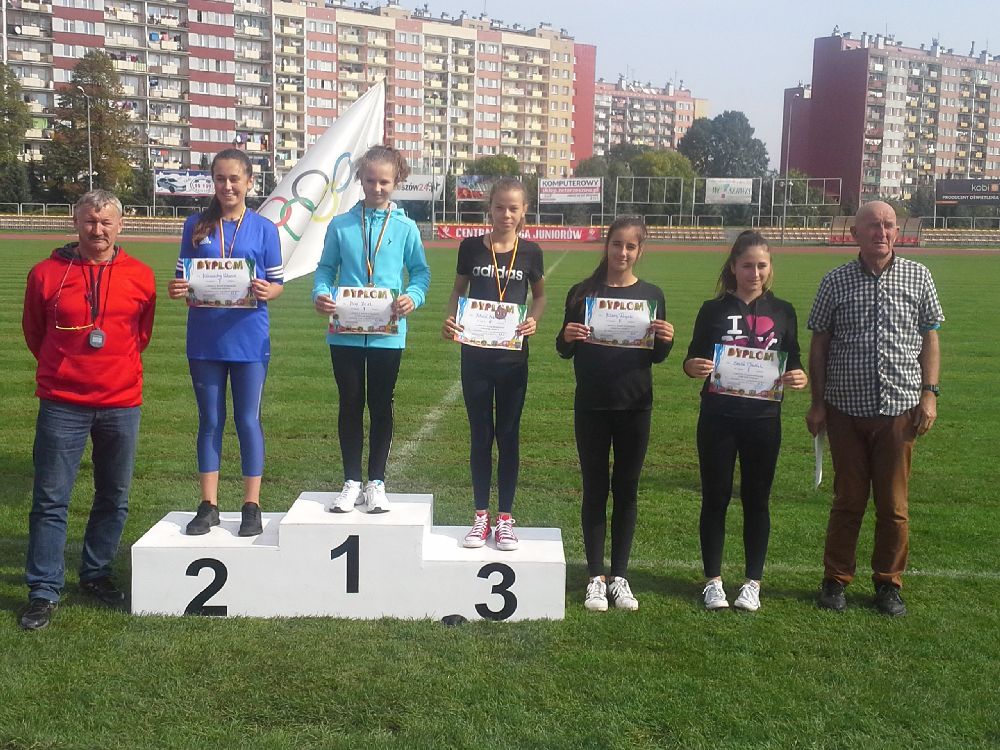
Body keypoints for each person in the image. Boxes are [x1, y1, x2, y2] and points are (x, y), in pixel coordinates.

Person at [20, 190, 156, 630]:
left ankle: (96, 573)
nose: (97, 230)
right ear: (76, 222)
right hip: (63, 403)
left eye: (106, 222)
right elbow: (35, 332)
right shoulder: (45, 274)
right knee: (50, 499)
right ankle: (44, 589)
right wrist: (65, 369)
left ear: (120, 226)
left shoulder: (141, 275)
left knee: (114, 496)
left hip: (121, 402)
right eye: (90, 221)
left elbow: (141, 335)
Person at [806, 201, 943, 616]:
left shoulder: (919, 276)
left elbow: (930, 338)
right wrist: (817, 403)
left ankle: (888, 582)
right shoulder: (835, 281)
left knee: (894, 506)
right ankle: (835, 579)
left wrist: (930, 393)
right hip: (845, 410)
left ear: (897, 231)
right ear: (855, 234)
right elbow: (819, 343)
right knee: (848, 500)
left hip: (900, 410)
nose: (881, 232)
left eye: (888, 225)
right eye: (872, 225)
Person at [682, 231, 808, 612]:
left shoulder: (783, 311)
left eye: (761, 266)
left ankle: (753, 582)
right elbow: (692, 358)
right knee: (715, 498)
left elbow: (793, 358)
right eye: (747, 265)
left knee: (757, 500)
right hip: (718, 417)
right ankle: (713, 582)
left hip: (764, 419)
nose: (754, 273)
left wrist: (798, 375)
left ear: (770, 268)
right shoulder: (712, 309)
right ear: (734, 267)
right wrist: (693, 366)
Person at [556, 216, 674, 611]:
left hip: (634, 405)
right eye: (616, 244)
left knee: (626, 490)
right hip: (591, 405)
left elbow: (655, 356)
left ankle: (620, 575)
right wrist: (567, 335)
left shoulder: (651, 294)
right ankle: (595, 576)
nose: (622, 252)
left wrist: (666, 340)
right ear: (606, 245)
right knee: (594, 489)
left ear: (640, 251)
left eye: (630, 246)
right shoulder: (582, 293)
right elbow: (564, 349)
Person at [168, 149, 284, 538]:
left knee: (247, 419)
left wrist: (269, 290)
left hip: (249, 337)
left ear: (249, 182)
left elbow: (277, 283)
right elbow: (182, 278)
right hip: (205, 338)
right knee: (210, 421)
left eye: (235, 178)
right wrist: (177, 288)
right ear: (213, 182)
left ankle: (251, 505)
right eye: (220, 178)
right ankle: (209, 505)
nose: (228, 186)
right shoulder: (194, 225)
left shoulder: (264, 229)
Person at [313, 145, 430, 514]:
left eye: (384, 182)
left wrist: (413, 297)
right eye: (370, 180)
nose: (376, 188)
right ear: (360, 180)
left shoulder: (406, 227)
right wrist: (320, 294)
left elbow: (420, 273)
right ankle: (351, 480)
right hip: (344, 330)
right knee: (349, 403)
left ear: (397, 181)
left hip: (387, 333)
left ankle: (376, 481)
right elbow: (325, 269)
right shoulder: (341, 225)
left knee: (380, 405)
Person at [442, 177, 545, 551]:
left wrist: (533, 319)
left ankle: (505, 519)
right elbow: (458, 290)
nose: (506, 214)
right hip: (475, 356)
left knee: (509, 435)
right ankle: (480, 515)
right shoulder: (470, 247)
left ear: (524, 211)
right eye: (499, 207)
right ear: (489, 208)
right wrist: (451, 320)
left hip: (513, 359)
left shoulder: (531, 252)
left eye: (513, 208)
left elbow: (540, 296)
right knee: (481, 435)